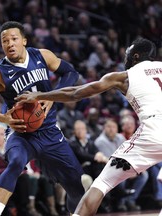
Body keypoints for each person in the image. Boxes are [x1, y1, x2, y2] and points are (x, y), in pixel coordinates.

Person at [15, 37, 161, 216]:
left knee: (102, 183)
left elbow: (75, 93)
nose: (126, 60)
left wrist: (40, 95)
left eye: (128, 56)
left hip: (154, 130)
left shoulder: (123, 76)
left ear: (136, 56)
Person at [0, 21, 85, 216]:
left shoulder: (42, 55)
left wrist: (53, 96)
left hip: (50, 131)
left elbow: (71, 72)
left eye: (14, 39)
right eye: (4, 41)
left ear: (24, 40)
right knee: (16, 162)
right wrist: (3, 118)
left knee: (76, 184)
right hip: (21, 132)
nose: (10, 44)